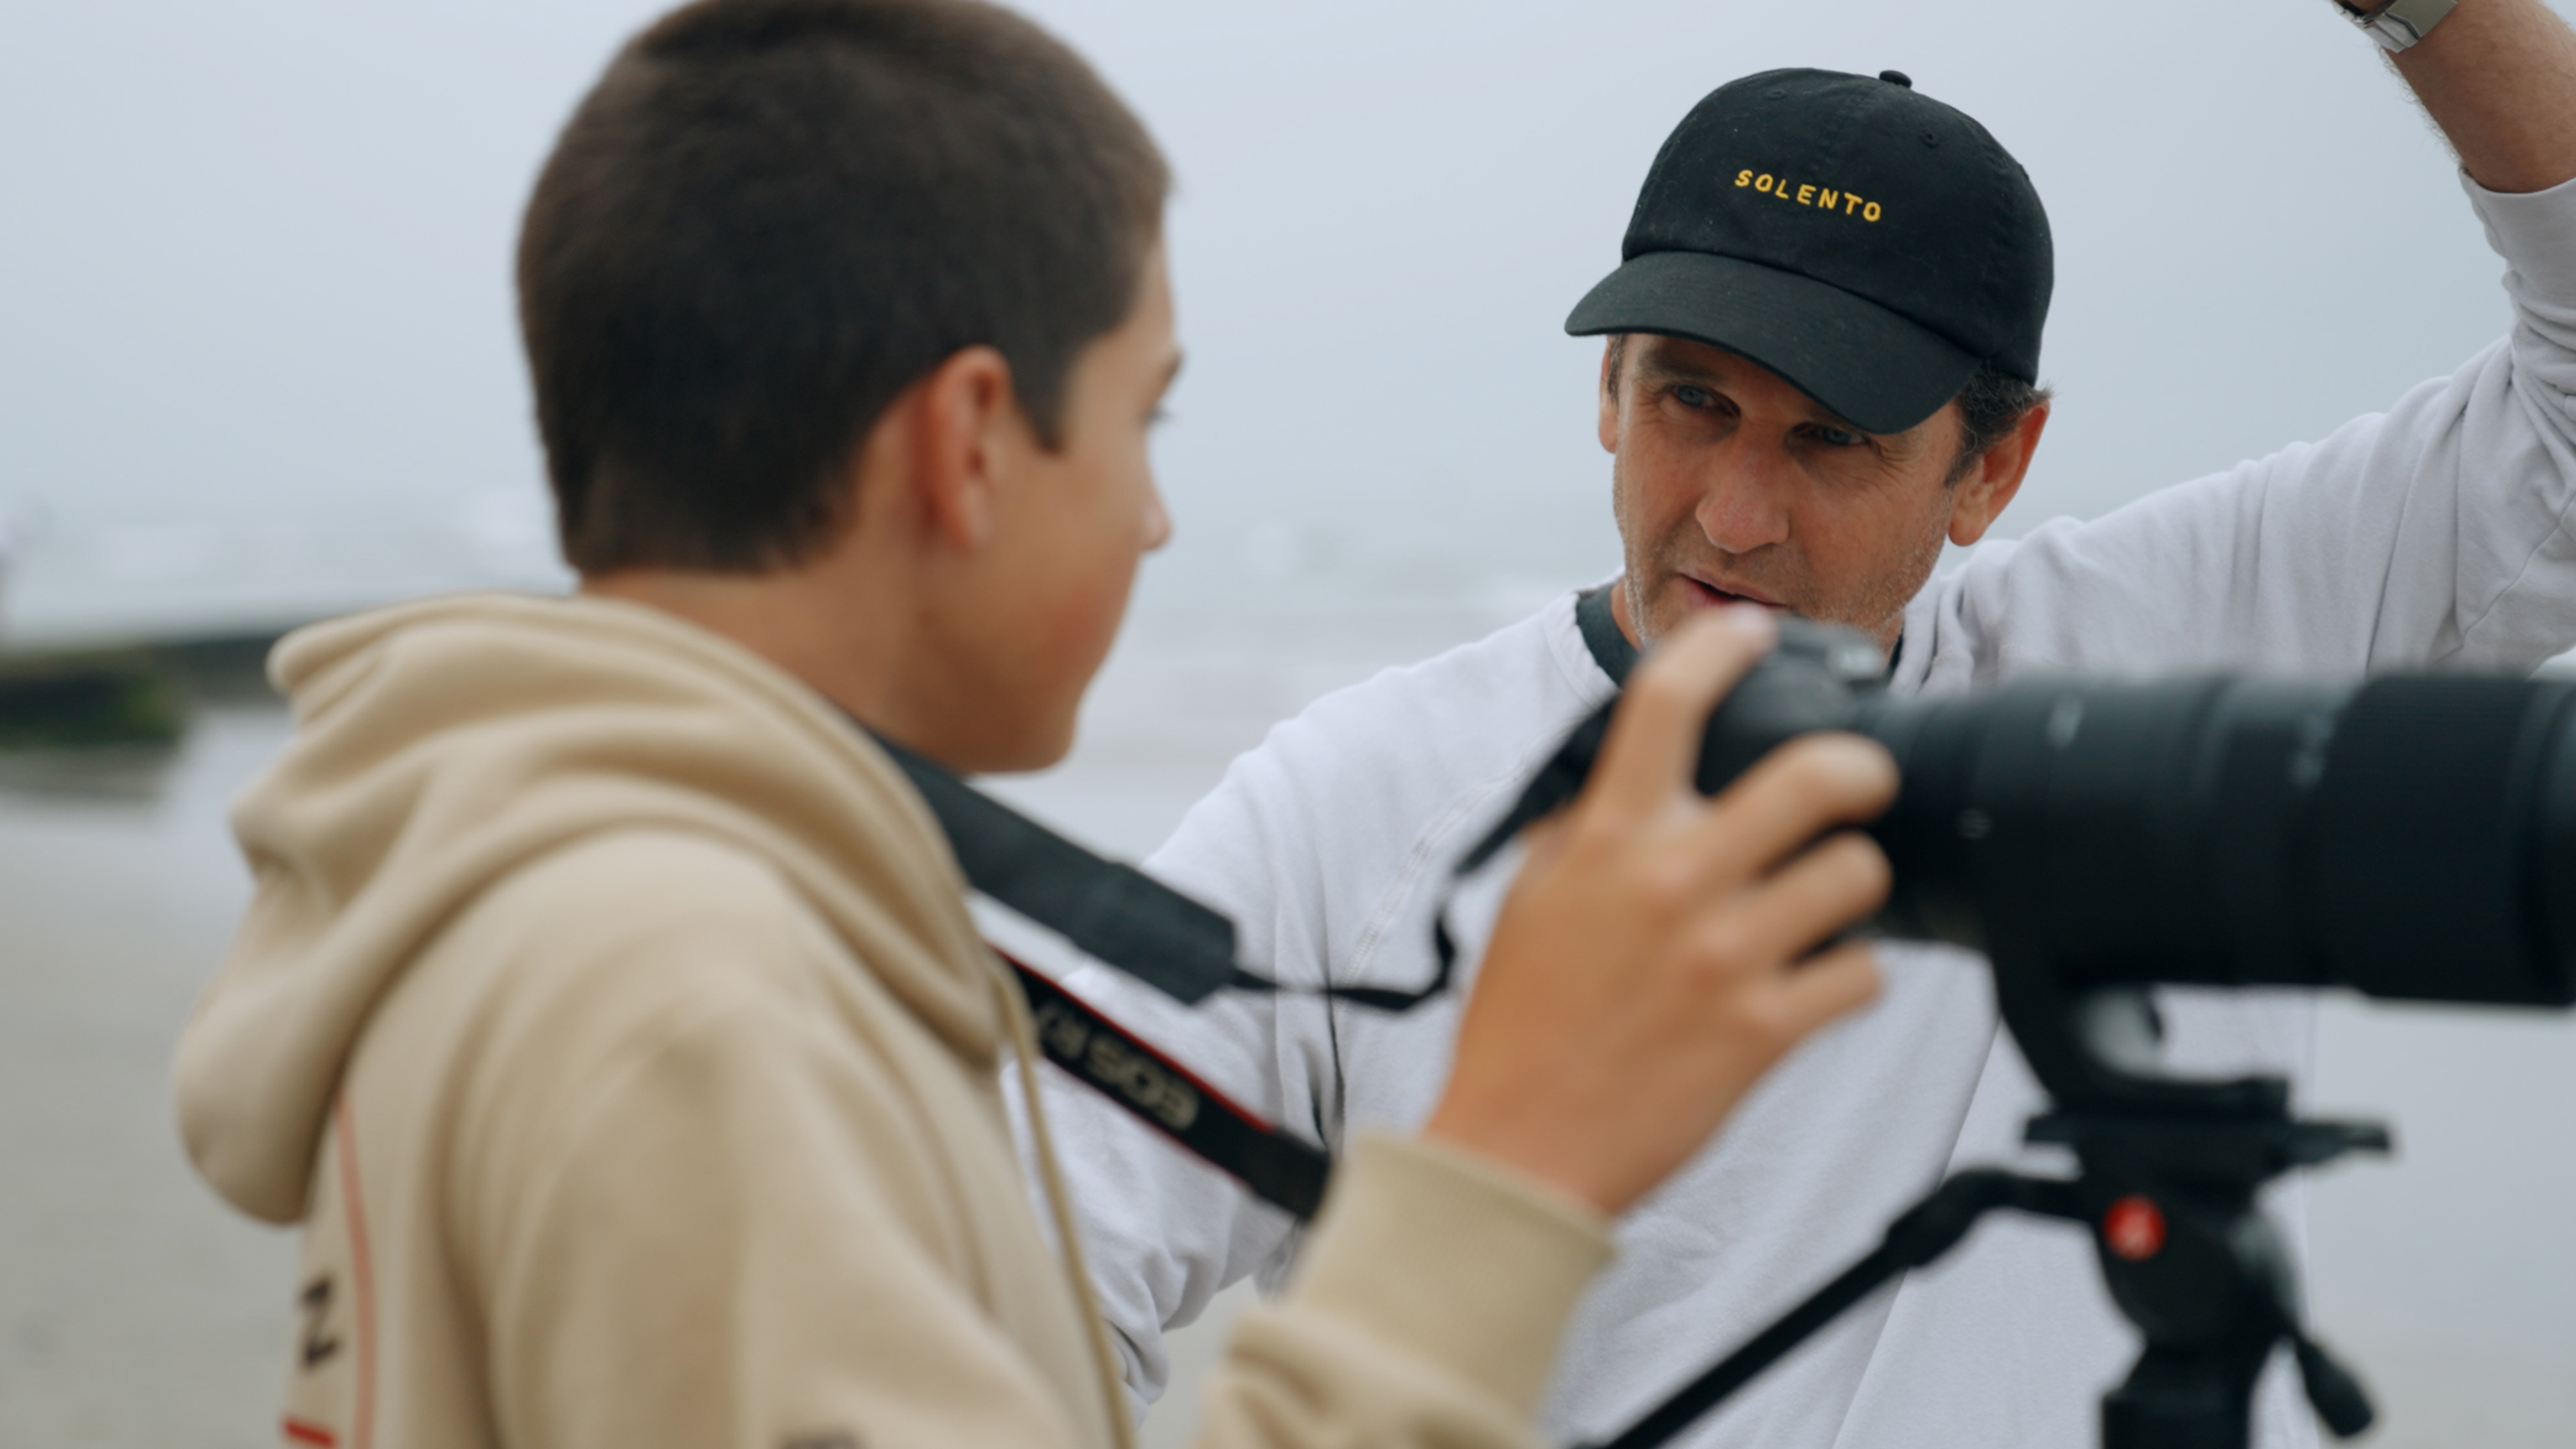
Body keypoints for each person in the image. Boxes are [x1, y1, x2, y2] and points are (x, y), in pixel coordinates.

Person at [168, 3, 1905, 1447]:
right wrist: (1505, 1173)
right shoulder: (690, 1001)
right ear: (971, 441)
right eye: (1145, 417)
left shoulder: (511, 895)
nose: (1154, 518)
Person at [1036, 3, 2576, 1446]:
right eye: (1689, 402)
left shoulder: (2169, 660)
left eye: (1831, 438)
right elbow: (1023, 1281)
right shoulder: (1359, 814)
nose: (1733, 513)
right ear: (1607, 388)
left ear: (1995, 465)